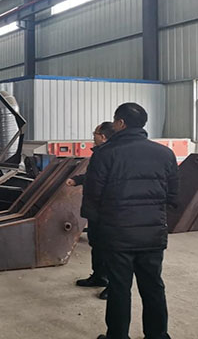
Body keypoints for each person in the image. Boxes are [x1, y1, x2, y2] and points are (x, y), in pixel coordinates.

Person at [84, 103, 178, 339]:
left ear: (120, 123)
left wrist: (99, 230)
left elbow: (93, 197)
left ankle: (117, 336)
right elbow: (173, 196)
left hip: (117, 234)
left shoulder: (105, 154)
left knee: (119, 288)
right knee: (153, 286)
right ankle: (158, 335)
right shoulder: (165, 154)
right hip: (152, 235)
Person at [67, 121, 115, 300]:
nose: (92, 136)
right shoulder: (100, 153)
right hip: (95, 209)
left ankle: (113, 284)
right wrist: (78, 180)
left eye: (94, 133)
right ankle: (99, 276)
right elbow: (94, 176)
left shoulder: (111, 153)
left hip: (107, 209)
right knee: (97, 243)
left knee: (109, 247)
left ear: (103, 136)